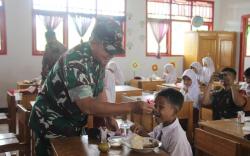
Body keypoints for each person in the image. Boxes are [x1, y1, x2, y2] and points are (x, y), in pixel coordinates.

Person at [29, 17, 153, 156]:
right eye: (108, 50)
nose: (110, 56)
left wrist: (109, 117)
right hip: (49, 122)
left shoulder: (98, 60)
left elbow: (99, 91)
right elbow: (87, 105)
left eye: (113, 52)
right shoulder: (76, 60)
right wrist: (132, 106)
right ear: (94, 41)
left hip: (71, 124)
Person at [131, 88, 192, 156]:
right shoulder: (160, 127)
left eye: (161, 107)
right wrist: (141, 131)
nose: (156, 110)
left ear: (175, 110)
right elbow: (152, 141)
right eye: (155, 106)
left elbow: (155, 147)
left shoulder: (177, 138)